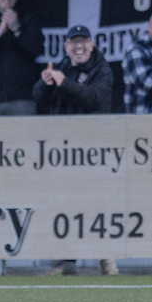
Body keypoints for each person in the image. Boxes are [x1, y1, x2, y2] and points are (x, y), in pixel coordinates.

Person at [33, 25, 119, 276]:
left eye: (83, 42)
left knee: (98, 204)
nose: (79, 47)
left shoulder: (103, 70)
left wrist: (63, 82)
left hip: (95, 148)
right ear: (66, 46)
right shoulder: (61, 68)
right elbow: (39, 97)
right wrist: (46, 83)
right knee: (65, 202)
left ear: (91, 45)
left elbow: (92, 99)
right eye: (74, 42)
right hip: (66, 148)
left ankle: (106, 258)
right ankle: (65, 260)